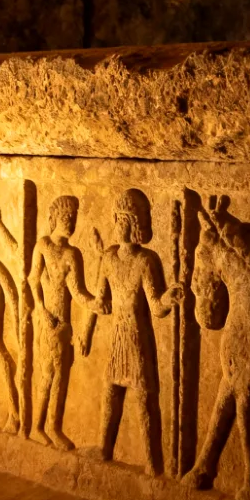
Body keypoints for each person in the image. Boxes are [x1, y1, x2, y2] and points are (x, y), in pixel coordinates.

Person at [82, 188, 182, 476]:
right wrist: (88, 325)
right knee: (111, 392)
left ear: (137, 224)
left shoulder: (146, 261)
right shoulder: (109, 258)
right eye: (117, 219)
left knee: (144, 398)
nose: (120, 226)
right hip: (118, 335)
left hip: (138, 337)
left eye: (126, 220)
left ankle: (152, 462)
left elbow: (156, 307)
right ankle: (104, 448)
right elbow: (101, 301)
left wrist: (169, 298)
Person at [26, 195, 85, 450]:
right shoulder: (43, 246)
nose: (70, 222)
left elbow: (78, 291)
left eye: (73, 218)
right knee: (48, 374)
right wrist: (40, 310)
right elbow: (32, 280)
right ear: (54, 219)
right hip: (48, 321)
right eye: (65, 217)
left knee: (61, 375)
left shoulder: (73, 254)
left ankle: (50, 425)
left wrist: (96, 304)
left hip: (64, 324)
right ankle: (41, 426)